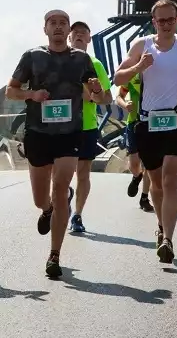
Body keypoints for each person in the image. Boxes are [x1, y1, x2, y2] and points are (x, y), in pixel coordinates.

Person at [5, 9, 105, 277]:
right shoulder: (32, 56)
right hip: (38, 133)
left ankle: (54, 255)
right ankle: (47, 210)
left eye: (63, 23)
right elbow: (10, 91)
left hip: (70, 134)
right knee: (41, 199)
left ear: (70, 30)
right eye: (53, 23)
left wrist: (95, 90)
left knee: (60, 189)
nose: (58, 27)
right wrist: (32, 94)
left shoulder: (82, 59)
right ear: (45, 29)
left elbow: (102, 100)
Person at [113, 0, 177, 264]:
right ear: (153, 22)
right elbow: (117, 78)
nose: (165, 25)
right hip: (148, 122)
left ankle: (168, 240)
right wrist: (139, 67)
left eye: (170, 20)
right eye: (160, 20)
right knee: (157, 183)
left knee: (171, 178)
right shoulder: (141, 45)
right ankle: (161, 226)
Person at [67, 20, 113, 233]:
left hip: (86, 126)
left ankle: (77, 215)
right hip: (60, 127)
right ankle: (63, 193)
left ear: (88, 38)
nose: (78, 35)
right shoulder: (58, 61)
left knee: (83, 173)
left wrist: (94, 93)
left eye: (82, 33)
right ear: (69, 37)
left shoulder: (96, 64)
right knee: (59, 173)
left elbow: (107, 98)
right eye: (74, 32)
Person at [115, 84, 154, 212]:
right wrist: (125, 105)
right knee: (133, 165)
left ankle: (144, 198)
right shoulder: (133, 74)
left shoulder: (157, 73)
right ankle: (137, 176)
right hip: (134, 123)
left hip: (152, 123)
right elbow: (119, 97)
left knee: (148, 164)